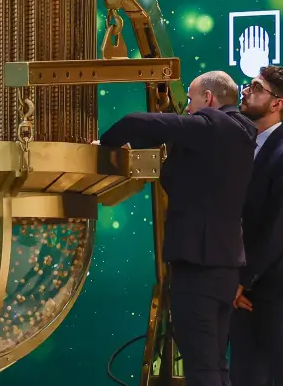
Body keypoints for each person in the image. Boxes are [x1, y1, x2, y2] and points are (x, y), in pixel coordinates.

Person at [100, 70, 255, 386]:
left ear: (208, 99)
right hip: (225, 268)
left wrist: (104, 145)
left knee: (201, 367)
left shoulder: (213, 126)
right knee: (215, 363)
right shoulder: (240, 132)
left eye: (190, 102)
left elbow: (136, 122)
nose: (187, 110)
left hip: (198, 267)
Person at [230, 66, 283, 386]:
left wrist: (244, 280)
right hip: (245, 291)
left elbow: (280, 229)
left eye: (255, 87)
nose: (245, 91)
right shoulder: (244, 147)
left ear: (277, 103)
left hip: (281, 292)